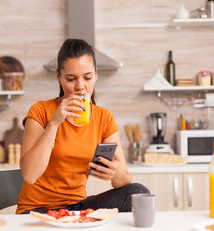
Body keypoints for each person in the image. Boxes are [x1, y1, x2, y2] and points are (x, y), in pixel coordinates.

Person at [16, 39, 149, 214]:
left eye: (87, 78)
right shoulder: (40, 111)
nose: (80, 87)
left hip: (76, 208)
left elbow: (123, 180)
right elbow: (30, 175)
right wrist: (55, 122)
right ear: (58, 76)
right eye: (71, 79)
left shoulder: (104, 118)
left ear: (96, 75)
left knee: (138, 193)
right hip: (37, 210)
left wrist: (114, 173)